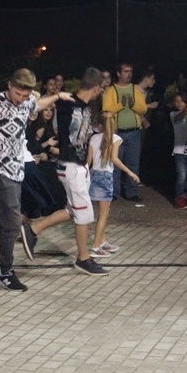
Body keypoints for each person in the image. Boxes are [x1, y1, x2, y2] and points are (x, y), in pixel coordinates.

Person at [0, 69, 72, 292]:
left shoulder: (27, 102)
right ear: (10, 85)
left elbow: (38, 104)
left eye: (24, 95)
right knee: (12, 223)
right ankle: (4, 271)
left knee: (4, 223)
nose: (20, 99)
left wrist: (58, 96)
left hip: (16, 172)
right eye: (18, 93)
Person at [55, 67, 108, 274]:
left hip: (80, 164)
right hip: (70, 164)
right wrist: (57, 96)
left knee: (73, 210)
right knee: (84, 214)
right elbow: (37, 100)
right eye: (101, 88)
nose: (101, 92)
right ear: (95, 86)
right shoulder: (67, 102)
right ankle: (83, 258)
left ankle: (33, 230)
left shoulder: (86, 106)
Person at [88, 111, 139, 258]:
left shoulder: (94, 138)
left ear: (99, 125)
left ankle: (102, 241)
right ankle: (95, 246)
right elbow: (114, 159)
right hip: (105, 176)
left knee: (103, 212)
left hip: (94, 175)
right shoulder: (116, 139)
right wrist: (130, 172)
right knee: (103, 214)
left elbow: (88, 161)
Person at [102, 62, 147, 202]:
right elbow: (106, 110)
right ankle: (114, 193)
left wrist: (133, 105)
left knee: (133, 163)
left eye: (130, 71)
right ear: (118, 73)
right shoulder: (111, 91)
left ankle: (132, 192)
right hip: (117, 132)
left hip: (134, 132)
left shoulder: (135, 90)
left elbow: (143, 109)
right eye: (126, 71)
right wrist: (121, 105)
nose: (129, 74)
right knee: (115, 163)